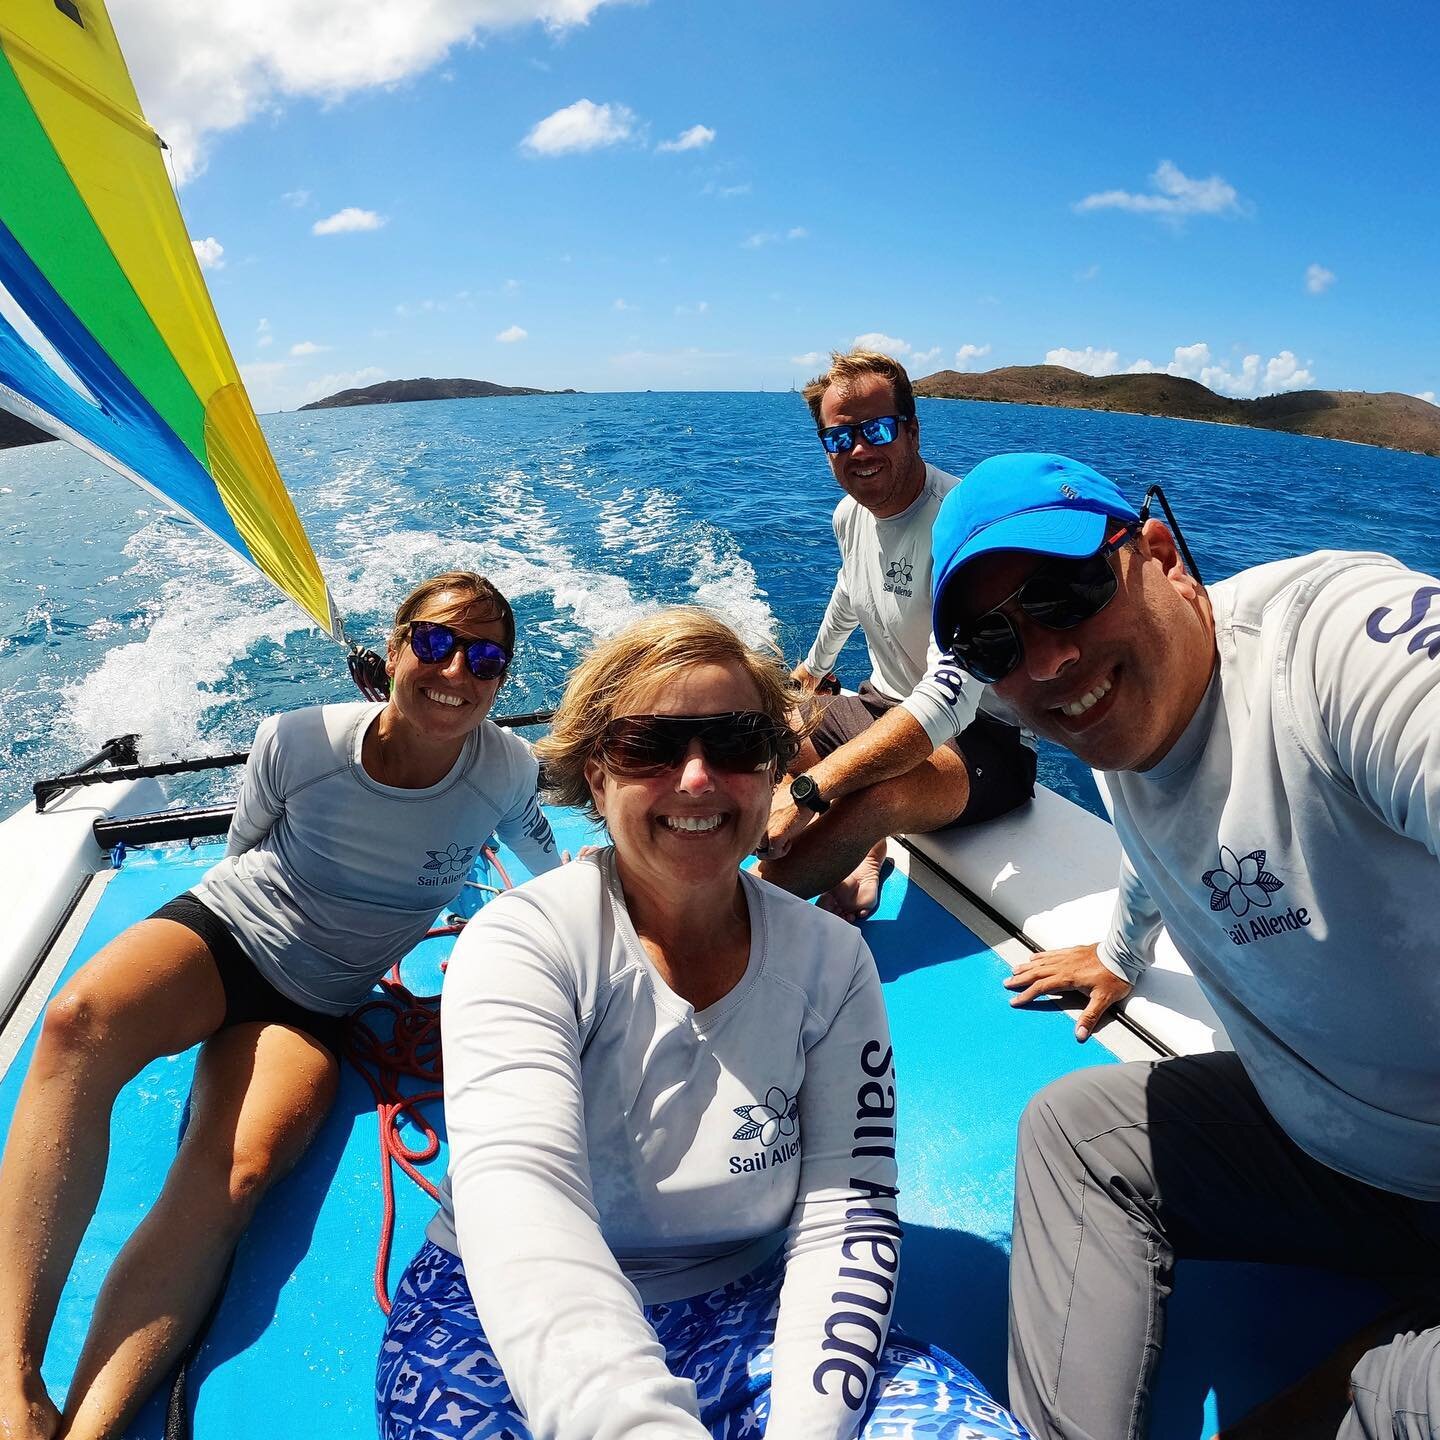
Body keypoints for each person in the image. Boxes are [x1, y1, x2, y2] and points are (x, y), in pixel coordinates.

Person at [376, 607, 1029, 1440]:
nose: (696, 779)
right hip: (499, 1313)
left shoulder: (830, 960)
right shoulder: (523, 944)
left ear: (769, 770)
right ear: (597, 777)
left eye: (732, 743)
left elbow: (848, 1211)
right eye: (648, 746)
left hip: (757, 1308)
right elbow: (522, 1197)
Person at [929, 451, 1440, 1440]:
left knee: (1390, 1407)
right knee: (1077, 1134)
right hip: (1338, 1158)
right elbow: (1161, 833)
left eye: (1065, 593)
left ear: (1159, 553)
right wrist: (1121, 954)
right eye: (997, 641)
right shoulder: (1132, 719)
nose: (1046, 662)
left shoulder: (1334, 647)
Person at [0, 570, 559, 1440]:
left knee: (241, 1172)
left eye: (485, 658)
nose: (457, 672)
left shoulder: (505, 772)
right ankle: (14, 1382)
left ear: (502, 679)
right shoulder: (296, 741)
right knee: (76, 1025)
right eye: (438, 643)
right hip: (226, 935)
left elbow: (553, 886)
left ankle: (89, 1429)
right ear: (398, 642)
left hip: (319, 1001)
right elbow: (241, 851)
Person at [757, 349, 1035, 922]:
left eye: (877, 429)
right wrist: (810, 670)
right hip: (885, 704)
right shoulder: (848, 516)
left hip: (984, 737)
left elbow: (949, 700)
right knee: (773, 721)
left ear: (911, 431)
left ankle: (735, 916)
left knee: (877, 796)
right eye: (839, 438)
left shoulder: (960, 525)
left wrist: (809, 791)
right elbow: (847, 592)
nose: (858, 450)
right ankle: (866, 858)